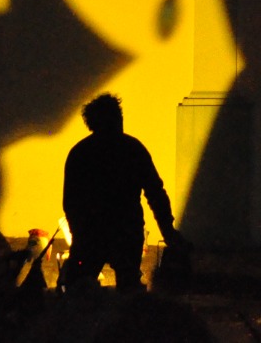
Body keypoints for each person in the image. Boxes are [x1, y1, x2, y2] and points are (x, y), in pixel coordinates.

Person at [62, 93, 183, 292]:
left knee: (80, 293)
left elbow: (71, 202)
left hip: (92, 233)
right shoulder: (133, 149)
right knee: (128, 292)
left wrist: (79, 233)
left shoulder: (80, 153)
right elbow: (155, 193)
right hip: (126, 230)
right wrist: (167, 231)